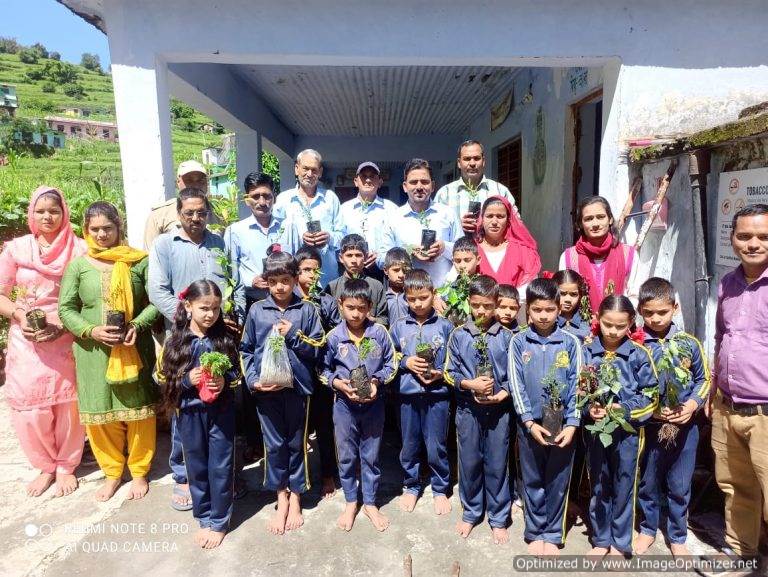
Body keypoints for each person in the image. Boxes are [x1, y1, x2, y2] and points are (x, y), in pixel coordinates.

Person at [148, 186, 244, 511]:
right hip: (183, 334)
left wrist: (232, 315)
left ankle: (223, 477)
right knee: (184, 404)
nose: (195, 218)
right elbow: (157, 289)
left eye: (201, 212)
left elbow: (234, 282)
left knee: (218, 398)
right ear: (179, 213)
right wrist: (184, 319)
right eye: (189, 212)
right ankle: (184, 475)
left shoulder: (219, 243)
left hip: (217, 334)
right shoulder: (165, 245)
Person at [59, 201, 159, 502]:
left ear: (119, 228)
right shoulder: (78, 266)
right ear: (86, 231)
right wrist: (91, 330)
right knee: (100, 415)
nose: (102, 234)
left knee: (140, 412)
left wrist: (138, 325)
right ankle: (112, 472)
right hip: (93, 352)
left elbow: (156, 302)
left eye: (108, 228)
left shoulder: (138, 262)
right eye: (95, 229)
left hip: (133, 346)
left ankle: (140, 472)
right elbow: (66, 308)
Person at [0, 186, 87, 497]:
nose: (47, 216)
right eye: (41, 211)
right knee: (30, 406)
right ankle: (45, 465)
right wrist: (21, 315)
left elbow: (88, 297)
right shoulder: (16, 250)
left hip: (67, 334)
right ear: (31, 215)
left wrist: (65, 323)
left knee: (69, 403)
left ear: (64, 213)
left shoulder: (79, 250)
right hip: (26, 336)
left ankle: (66, 464)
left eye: (54, 210)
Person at [240, 250, 325, 535]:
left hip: (298, 389)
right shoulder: (256, 311)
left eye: (286, 280)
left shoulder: (307, 310)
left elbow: (317, 349)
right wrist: (254, 381)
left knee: (296, 443)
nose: (280, 287)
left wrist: (292, 334)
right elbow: (246, 350)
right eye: (273, 281)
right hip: (267, 390)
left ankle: (297, 495)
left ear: (295, 279)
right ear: (265, 282)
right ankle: (280, 495)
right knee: (273, 445)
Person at [159, 280, 240, 550]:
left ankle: (218, 522)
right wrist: (186, 381)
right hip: (190, 414)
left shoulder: (224, 338)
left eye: (216, 309)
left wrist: (224, 381)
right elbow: (165, 381)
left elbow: (235, 374)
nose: (210, 314)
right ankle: (203, 515)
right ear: (188, 305)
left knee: (221, 465)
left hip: (221, 412)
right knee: (196, 465)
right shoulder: (177, 341)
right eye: (204, 308)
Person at [710, 204, 768, 572]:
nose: (753, 244)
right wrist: (713, 390)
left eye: (763, 237)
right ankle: (742, 552)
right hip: (727, 406)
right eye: (745, 236)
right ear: (732, 239)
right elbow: (720, 338)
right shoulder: (728, 284)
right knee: (735, 488)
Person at [634, 277, 709, 557]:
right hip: (651, 428)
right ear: (640, 310)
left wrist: (692, 405)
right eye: (649, 312)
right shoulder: (637, 345)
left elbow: (704, 378)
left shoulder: (689, 344)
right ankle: (647, 529)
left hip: (685, 428)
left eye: (662, 312)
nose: (655, 318)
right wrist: (650, 409)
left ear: (675, 308)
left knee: (680, 483)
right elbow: (630, 385)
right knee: (649, 481)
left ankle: (678, 535)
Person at [509, 278, 582, 556]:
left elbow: (578, 383)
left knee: (558, 479)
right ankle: (535, 530)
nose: (543, 316)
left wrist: (573, 423)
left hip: (562, 425)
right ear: (528, 310)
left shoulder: (571, 342)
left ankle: (553, 533)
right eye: (537, 310)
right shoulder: (519, 341)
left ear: (558, 309)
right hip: (530, 426)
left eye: (549, 310)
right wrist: (528, 421)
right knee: (533, 478)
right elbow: (515, 383)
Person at [581, 295, 657, 559]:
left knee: (625, 485)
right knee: (599, 483)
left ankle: (620, 543)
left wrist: (623, 409)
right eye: (607, 324)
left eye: (620, 326)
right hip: (596, 432)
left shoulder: (638, 355)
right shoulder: (587, 351)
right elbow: (577, 391)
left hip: (628, 434)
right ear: (597, 320)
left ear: (631, 324)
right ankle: (600, 539)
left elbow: (651, 396)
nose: (613, 331)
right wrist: (588, 408)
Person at [320, 278, 397, 532]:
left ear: (370, 307)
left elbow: (391, 364)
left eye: (362, 308)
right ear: (340, 304)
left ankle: (371, 502)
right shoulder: (333, 338)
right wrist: (338, 384)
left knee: (371, 455)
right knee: (347, 455)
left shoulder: (379, 333)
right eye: (351, 307)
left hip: (374, 406)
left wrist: (377, 381)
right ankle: (351, 501)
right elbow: (322, 369)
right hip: (344, 407)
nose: (356, 313)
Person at [444, 275, 513, 544]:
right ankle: (471, 511)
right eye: (475, 305)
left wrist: (503, 394)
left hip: (499, 412)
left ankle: (498, 517)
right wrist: (468, 383)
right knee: (469, 461)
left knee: (497, 463)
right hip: (468, 411)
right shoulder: (459, 335)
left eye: (486, 305)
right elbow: (449, 373)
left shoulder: (508, 338)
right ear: (469, 304)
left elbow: (514, 375)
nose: (481, 311)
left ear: (497, 304)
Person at [390, 269, 454, 515]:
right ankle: (411, 485)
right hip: (406, 395)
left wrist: (441, 373)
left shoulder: (445, 326)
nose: (417, 303)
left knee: (436, 443)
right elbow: (389, 356)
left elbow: (453, 358)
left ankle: (440, 488)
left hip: (437, 395)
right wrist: (406, 361)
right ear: (405, 298)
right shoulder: (397, 327)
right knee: (409, 443)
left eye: (423, 297)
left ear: (433, 294)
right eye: (411, 299)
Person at [295, 245, 341, 498]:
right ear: (296, 272)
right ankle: (299, 476)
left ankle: (327, 474)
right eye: (306, 270)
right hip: (295, 373)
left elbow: (335, 333)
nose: (311, 275)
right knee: (298, 428)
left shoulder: (325, 301)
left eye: (316, 271)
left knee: (324, 425)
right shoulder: (289, 302)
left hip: (321, 371)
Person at [379, 159, 460, 288]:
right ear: (405, 186)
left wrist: (444, 248)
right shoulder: (393, 218)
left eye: (424, 182)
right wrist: (408, 252)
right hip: (408, 296)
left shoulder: (448, 214)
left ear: (433, 186)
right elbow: (382, 258)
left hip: (444, 293)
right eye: (413, 182)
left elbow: (463, 251)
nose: (419, 187)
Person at [224, 171, 297, 310]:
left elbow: (297, 261)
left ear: (274, 198)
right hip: (254, 303)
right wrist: (250, 281)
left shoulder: (289, 227)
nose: (262, 202)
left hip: (288, 304)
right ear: (247, 199)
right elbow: (230, 271)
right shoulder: (235, 232)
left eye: (267, 196)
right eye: (255, 197)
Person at [273, 149, 342, 284]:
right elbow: (276, 237)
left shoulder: (331, 198)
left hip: (326, 277)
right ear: (297, 169)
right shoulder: (283, 200)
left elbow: (343, 235)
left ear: (320, 172)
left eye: (314, 170)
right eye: (305, 169)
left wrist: (329, 238)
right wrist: (299, 238)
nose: (309, 174)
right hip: (294, 278)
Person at [559, 196, 636, 311]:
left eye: (600, 217)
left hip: (618, 324)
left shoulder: (629, 254)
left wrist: (616, 319)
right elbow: (564, 295)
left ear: (610, 219)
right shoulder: (568, 257)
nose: (595, 223)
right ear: (580, 224)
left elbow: (635, 296)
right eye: (588, 219)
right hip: (579, 325)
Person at [434, 140, 519, 235]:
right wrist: (457, 227)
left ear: (483, 161)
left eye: (476, 158)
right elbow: (434, 228)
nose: (472, 163)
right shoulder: (445, 194)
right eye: (467, 159)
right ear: (459, 163)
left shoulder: (500, 191)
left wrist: (491, 224)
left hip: (491, 249)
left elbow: (517, 224)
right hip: (457, 249)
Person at [339, 162, 398, 280]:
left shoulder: (391, 209)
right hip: (352, 271)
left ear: (380, 182)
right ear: (356, 181)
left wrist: (380, 256)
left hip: (381, 271)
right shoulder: (344, 209)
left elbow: (396, 241)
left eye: (372, 176)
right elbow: (339, 240)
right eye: (364, 176)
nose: (368, 180)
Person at [475, 196, 540, 291]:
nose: (494, 222)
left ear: (508, 220)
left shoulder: (523, 251)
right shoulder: (471, 249)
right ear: (482, 219)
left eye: (500, 216)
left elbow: (529, 290)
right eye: (489, 216)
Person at [144, 160, 208, 250]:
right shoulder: (159, 215)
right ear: (178, 182)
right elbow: (150, 256)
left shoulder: (219, 215)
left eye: (200, 181)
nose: (195, 186)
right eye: (189, 180)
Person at [324, 234, 388, 326]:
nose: (354, 260)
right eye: (349, 255)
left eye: (358, 255)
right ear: (341, 258)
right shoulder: (332, 287)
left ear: (365, 257)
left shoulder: (376, 286)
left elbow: (384, 320)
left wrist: (371, 319)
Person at [553, 269, 592, 342]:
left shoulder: (588, 322)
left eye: (573, 294)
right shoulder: (547, 321)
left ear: (580, 296)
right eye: (562, 294)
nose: (568, 299)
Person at [383, 247, 412, 327]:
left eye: (405, 271)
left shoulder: (412, 295)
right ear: (386, 270)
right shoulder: (382, 297)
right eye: (396, 270)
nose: (401, 275)